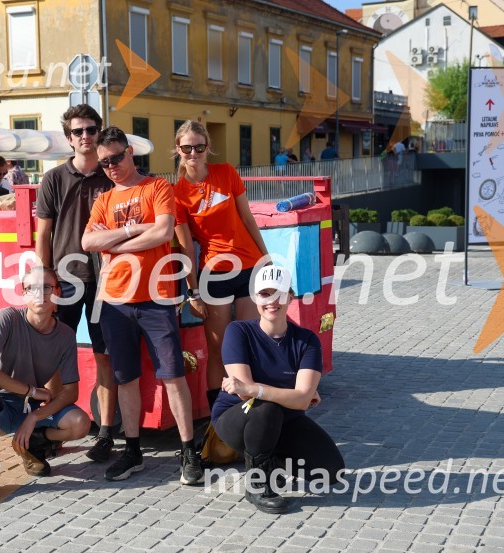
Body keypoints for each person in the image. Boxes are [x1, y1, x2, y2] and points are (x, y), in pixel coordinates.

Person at [82, 126, 203, 485]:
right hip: (116, 301)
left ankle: (188, 450)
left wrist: (113, 241)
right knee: (125, 378)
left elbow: (165, 232)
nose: (112, 167)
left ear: (130, 152)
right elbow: (88, 240)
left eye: (117, 158)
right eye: (104, 162)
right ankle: (132, 450)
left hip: (158, 298)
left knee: (173, 375)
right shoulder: (103, 199)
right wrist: (134, 231)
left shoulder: (157, 187)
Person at [212, 265, 344, 513]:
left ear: (290, 297)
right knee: (267, 409)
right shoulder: (238, 332)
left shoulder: (307, 340)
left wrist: (258, 389)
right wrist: (291, 393)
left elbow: (302, 400)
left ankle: (275, 463)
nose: (272, 301)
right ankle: (258, 484)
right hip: (237, 417)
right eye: (265, 294)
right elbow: (243, 394)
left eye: (280, 294)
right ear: (255, 298)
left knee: (330, 470)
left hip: (286, 419)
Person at [0, 266, 91, 503]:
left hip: (33, 407)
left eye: (46, 287)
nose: (39, 293)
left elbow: (71, 392)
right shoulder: (8, 318)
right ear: (23, 294)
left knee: (80, 424)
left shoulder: (65, 335)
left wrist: (35, 417)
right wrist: (31, 391)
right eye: (31, 288)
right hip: (2, 405)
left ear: (57, 293)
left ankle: (34, 443)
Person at [36, 104, 116, 463]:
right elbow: (43, 234)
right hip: (65, 281)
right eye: (78, 131)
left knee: (105, 357)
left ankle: (105, 432)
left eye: (91, 129)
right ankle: (54, 424)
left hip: (107, 281)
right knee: (56, 359)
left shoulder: (113, 173)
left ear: (99, 131)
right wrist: (46, 275)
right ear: (69, 138)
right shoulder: (53, 179)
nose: (86, 136)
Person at [172, 120, 268, 411]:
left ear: (207, 148)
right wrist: (193, 292)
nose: (193, 153)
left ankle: (252, 407)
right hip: (214, 275)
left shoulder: (226, 172)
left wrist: (266, 260)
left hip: (249, 266)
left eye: (199, 147)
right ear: (177, 150)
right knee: (219, 349)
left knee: (250, 341)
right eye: (187, 147)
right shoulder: (177, 194)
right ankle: (219, 415)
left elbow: (248, 218)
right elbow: (186, 247)